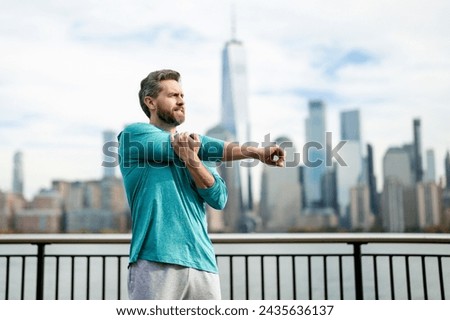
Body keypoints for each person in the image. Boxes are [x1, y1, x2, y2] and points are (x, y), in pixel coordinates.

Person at [118, 69, 285, 300]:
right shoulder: (134, 136)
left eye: (183, 96)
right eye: (173, 95)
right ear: (150, 102)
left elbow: (218, 198)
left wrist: (193, 160)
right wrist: (255, 151)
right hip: (156, 261)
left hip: (203, 262)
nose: (181, 101)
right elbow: (181, 144)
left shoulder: (199, 151)